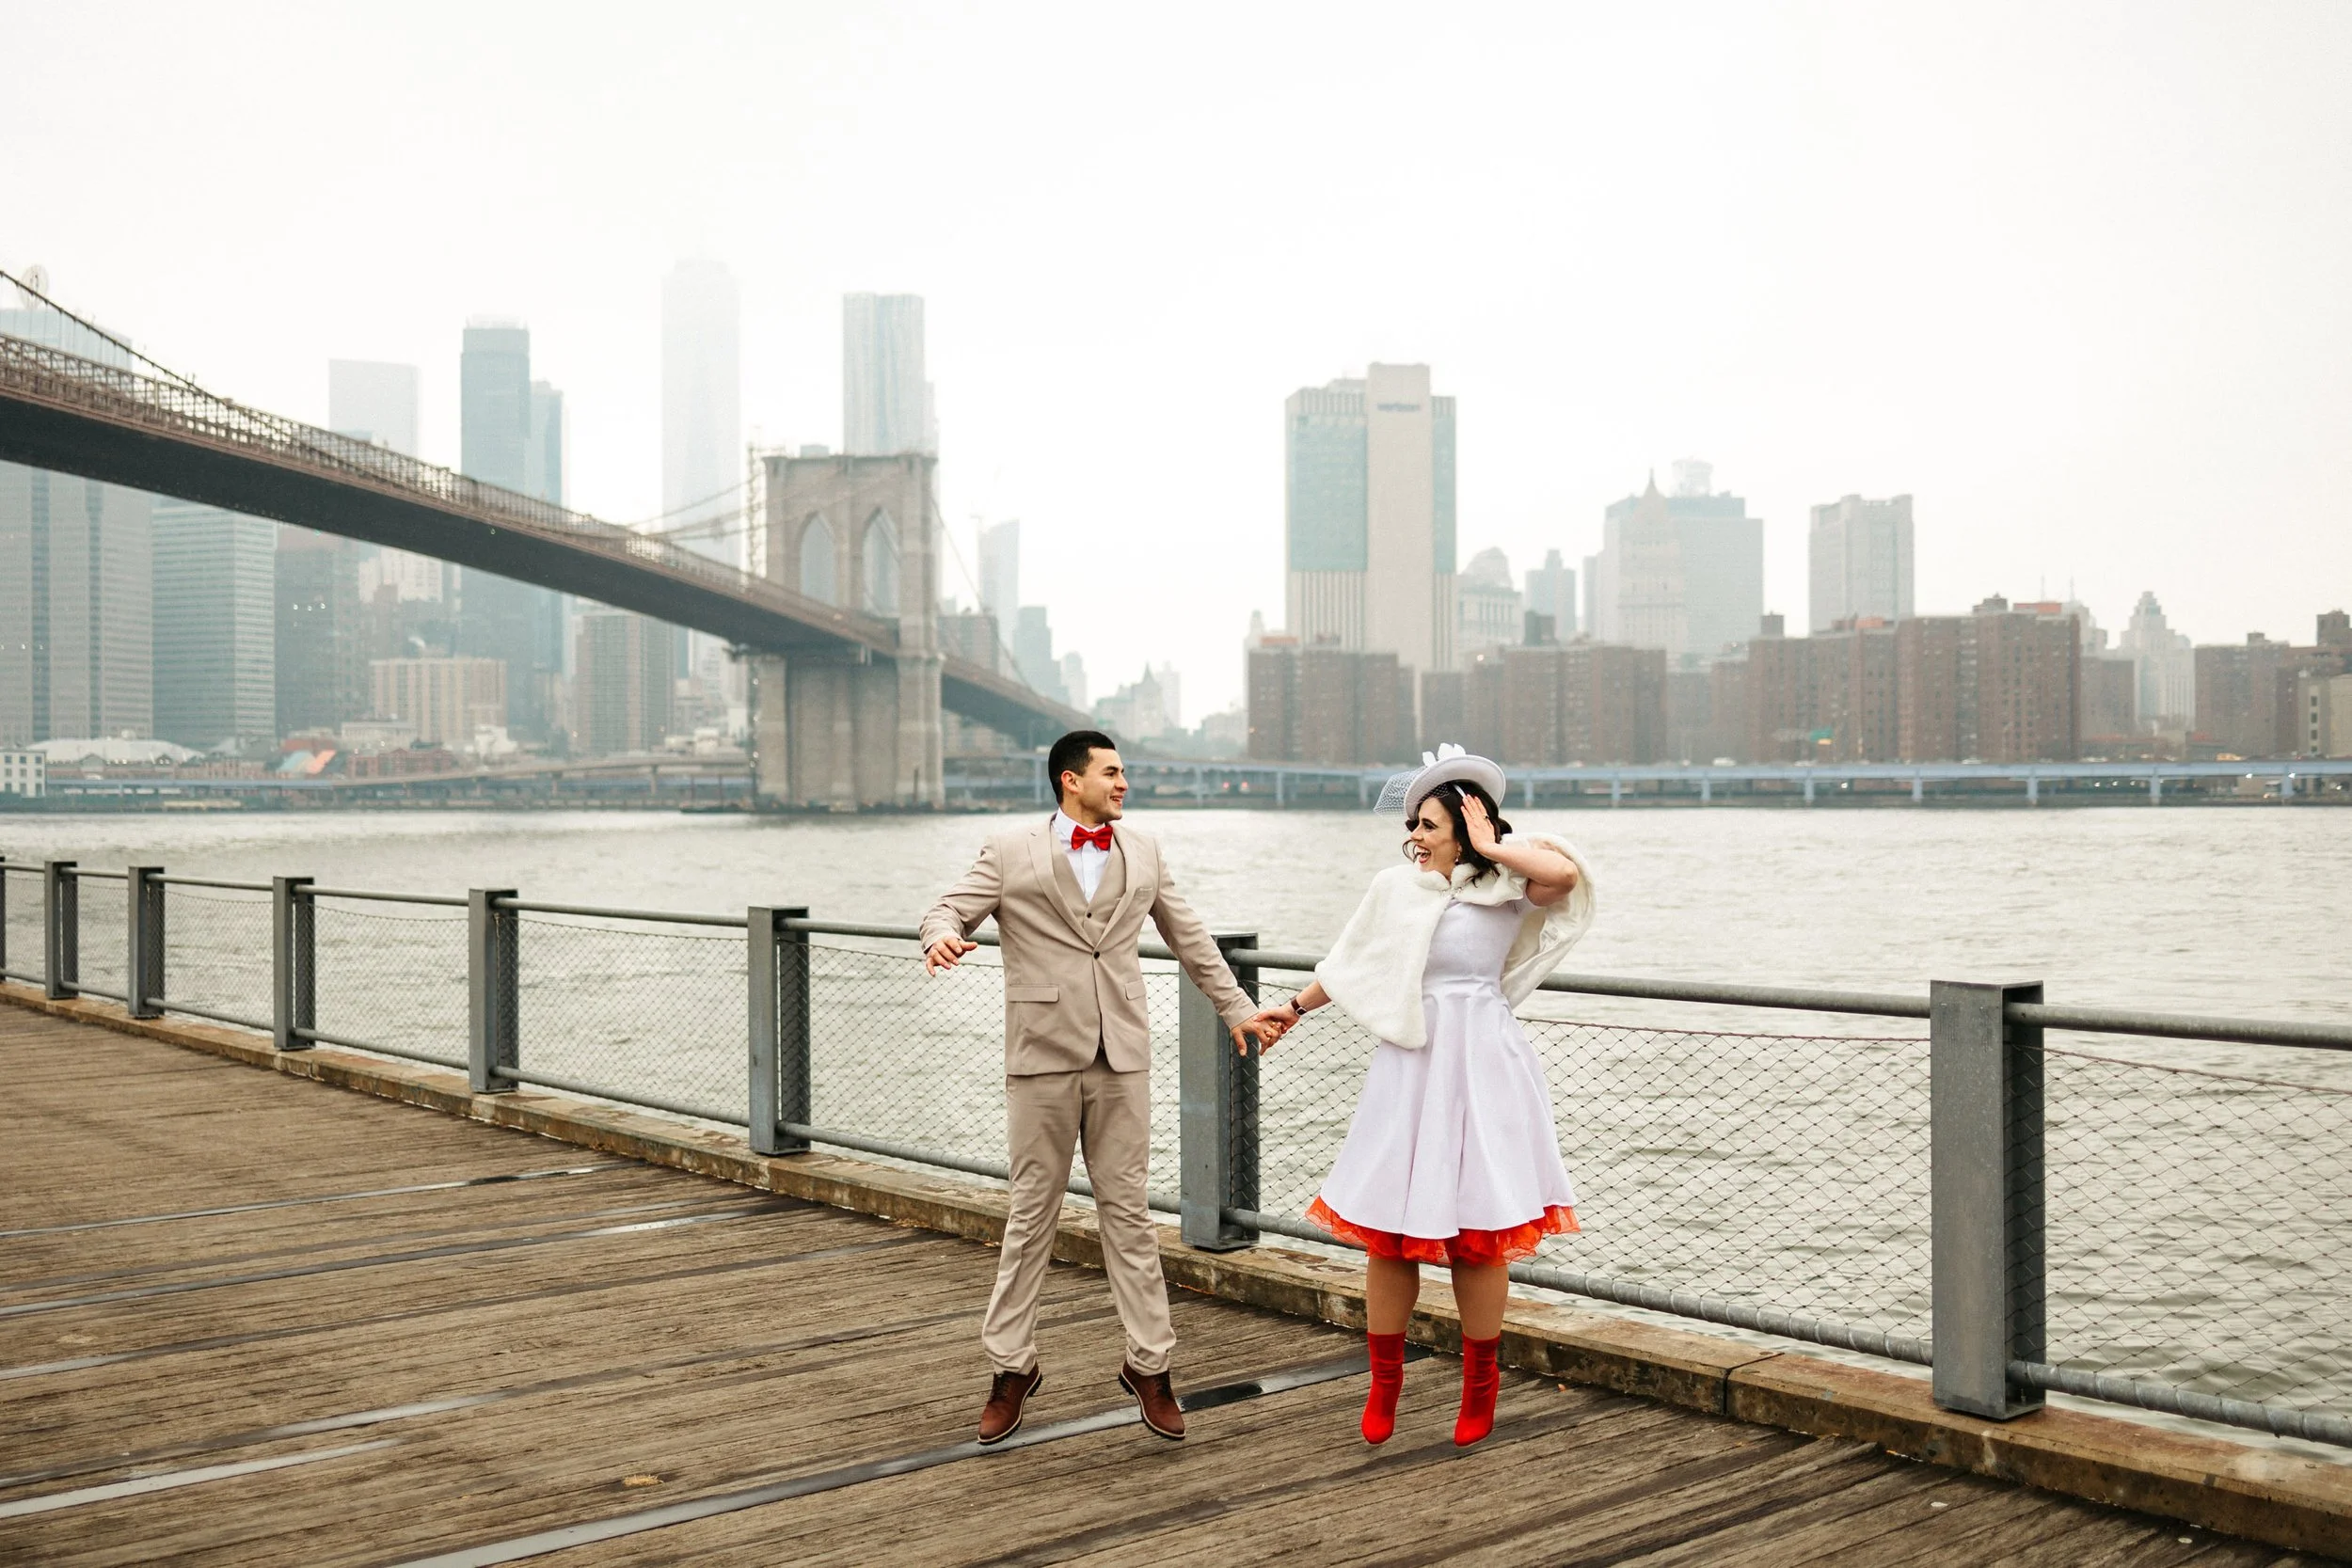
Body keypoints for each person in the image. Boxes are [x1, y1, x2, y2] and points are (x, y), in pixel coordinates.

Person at [922, 729, 1276, 1446]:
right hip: (1041, 1058)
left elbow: (1190, 937)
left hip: (1123, 1058)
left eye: (1124, 772)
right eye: (1111, 772)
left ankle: (1150, 1365)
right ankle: (1011, 1367)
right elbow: (946, 909)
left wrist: (1238, 1007)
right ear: (1068, 780)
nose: (1123, 783)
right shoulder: (1008, 849)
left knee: (1131, 1216)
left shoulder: (1143, 851)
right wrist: (939, 937)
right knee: (1030, 1218)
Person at [1245, 744, 1594, 1448]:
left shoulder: (1506, 884)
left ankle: (1480, 1387)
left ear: (1466, 825)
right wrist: (1293, 1006)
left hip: (1484, 1063)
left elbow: (1564, 876)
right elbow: (1353, 962)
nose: (1417, 837)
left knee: (1479, 1237)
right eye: (1414, 825)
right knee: (1390, 1234)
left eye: (1430, 824)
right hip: (1410, 1064)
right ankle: (1384, 1383)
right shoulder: (1396, 888)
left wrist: (1495, 845)